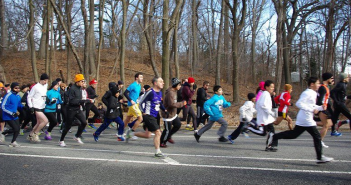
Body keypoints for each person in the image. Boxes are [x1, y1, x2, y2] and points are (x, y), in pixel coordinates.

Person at [267, 77, 334, 164]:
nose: (319, 85)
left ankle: (275, 137)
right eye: (317, 83)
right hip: (306, 118)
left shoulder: (313, 93)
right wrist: (311, 110)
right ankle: (319, 157)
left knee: (294, 134)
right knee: (317, 136)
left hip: (305, 118)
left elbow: (311, 106)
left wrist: (321, 107)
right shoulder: (307, 93)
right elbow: (299, 103)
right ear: (312, 84)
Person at [133, 76, 166, 157]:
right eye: (161, 81)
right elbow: (140, 102)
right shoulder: (150, 92)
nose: (163, 83)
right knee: (158, 132)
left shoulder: (160, 92)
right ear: (155, 83)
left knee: (147, 135)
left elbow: (159, 103)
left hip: (155, 116)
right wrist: (143, 112)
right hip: (148, 115)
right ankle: (157, 151)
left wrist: (164, 109)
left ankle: (132, 134)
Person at [59, 74, 93, 147]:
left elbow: (80, 100)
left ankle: (77, 136)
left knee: (84, 122)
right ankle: (61, 140)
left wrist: (86, 101)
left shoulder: (80, 88)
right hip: (71, 110)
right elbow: (72, 101)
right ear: (77, 81)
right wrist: (82, 101)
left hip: (78, 109)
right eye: (82, 81)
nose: (83, 82)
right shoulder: (72, 89)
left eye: (83, 81)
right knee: (68, 126)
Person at [247, 80, 276, 150]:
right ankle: (248, 127)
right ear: (266, 87)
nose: (272, 88)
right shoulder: (265, 94)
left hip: (266, 117)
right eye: (271, 87)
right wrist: (271, 112)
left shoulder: (265, 94)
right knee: (263, 132)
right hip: (264, 117)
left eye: (273, 87)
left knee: (271, 131)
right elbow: (263, 105)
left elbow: (258, 104)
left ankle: (269, 146)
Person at [160, 78, 187, 148]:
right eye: (179, 85)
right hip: (167, 114)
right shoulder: (170, 93)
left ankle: (168, 137)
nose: (180, 86)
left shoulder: (174, 91)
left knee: (178, 125)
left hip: (173, 113)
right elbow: (171, 104)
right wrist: (182, 104)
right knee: (167, 130)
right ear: (175, 85)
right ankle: (162, 142)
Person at [27, 73, 50, 142]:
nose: (46, 82)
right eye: (45, 80)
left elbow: (44, 94)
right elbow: (29, 96)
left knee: (38, 123)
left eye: (47, 80)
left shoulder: (45, 85)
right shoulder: (35, 87)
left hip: (42, 106)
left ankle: (30, 135)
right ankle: (35, 133)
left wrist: (47, 98)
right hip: (36, 106)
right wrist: (31, 106)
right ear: (41, 80)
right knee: (45, 121)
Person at [0, 82, 24, 147]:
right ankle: (3, 133)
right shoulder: (8, 95)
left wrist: (24, 107)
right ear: (12, 88)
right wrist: (11, 113)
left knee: (18, 129)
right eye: (15, 88)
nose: (17, 89)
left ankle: (13, 142)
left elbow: (19, 105)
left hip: (14, 115)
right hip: (7, 116)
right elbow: (3, 106)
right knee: (15, 128)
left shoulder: (17, 96)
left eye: (18, 88)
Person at [315, 72, 334, 148]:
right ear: (328, 79)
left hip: (324, 108)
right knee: (326, 125)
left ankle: (312, 123)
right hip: (322, 108)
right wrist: (321, 107)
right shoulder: (323, 88)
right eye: (332, 78)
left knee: (330, 124)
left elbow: (326, 99)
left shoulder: (326, 87)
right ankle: (319, 141)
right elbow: (319, 100)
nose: (333, 80)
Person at [124, 72, 143, 141]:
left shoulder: (139, 85)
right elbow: (125, 93)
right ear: (136, 78)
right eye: (140, 77)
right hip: (133, 105)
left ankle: (120, 132)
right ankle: (131, 133)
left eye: (142, 77)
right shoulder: (133, 85)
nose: (142, 79)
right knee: (140, 119)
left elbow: (136, 95)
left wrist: (142, 93)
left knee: (128, 119)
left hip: (136, 104)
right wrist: (131, 100)